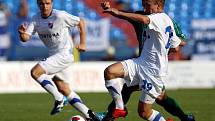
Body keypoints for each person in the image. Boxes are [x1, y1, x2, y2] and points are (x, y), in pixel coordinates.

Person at [101, 1, 195, 121]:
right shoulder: (153, 17)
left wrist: (117, 11)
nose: (144, 8)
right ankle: (117, 110)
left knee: (146, 110)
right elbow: (176, 45)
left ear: (158, 5)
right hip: (141, 63)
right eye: (143, 4)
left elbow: (145, 20)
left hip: (154, 71)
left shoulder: (160, 18)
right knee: (110, 72)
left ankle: (183, 118)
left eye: (147, 4)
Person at [18, 0, 99, 120]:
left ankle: (59, 98)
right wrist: (22, 34)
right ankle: (92, 116)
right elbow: (26, 38)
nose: (45, 6)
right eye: (42, 3)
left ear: (52, 3)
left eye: (47, 3)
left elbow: (80, 21)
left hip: (65, 54)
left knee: (36, 72)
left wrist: (83, 43)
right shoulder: (36, 19)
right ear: (38, 4)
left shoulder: (60, 15)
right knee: (63, 88)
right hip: (54, 56)